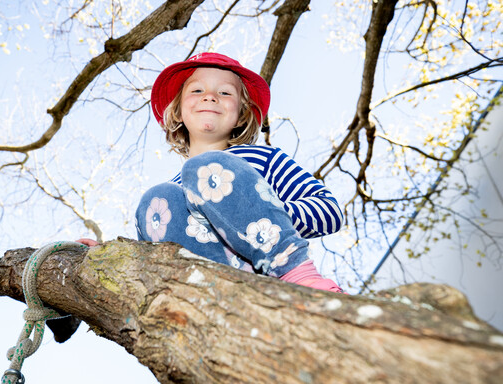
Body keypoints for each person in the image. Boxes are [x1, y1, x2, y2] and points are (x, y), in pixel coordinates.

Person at [80, 52, 345, 292]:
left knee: (205, 169)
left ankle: (296, 273)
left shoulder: (265, 158)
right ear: (179, 110)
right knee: (156, 199)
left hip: (274, 281)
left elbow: (330, 212)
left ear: (242, 114)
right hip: (209, 293)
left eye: (226, 93)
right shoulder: (171, 197)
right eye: (197, 90)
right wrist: (104, 256)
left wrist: (255, 213)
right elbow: (150, 257)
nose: (210, 96)